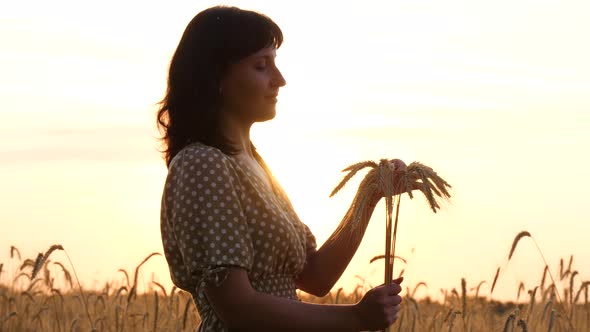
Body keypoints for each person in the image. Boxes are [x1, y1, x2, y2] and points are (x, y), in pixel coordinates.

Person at [157, 6, 404, 331]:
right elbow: (236, 306)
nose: (280, 79)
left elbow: (315, 277)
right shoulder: (202, 164)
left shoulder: (252, 165)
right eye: (262, 66)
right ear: (216, 76)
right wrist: (355, 317)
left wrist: (368, 194)